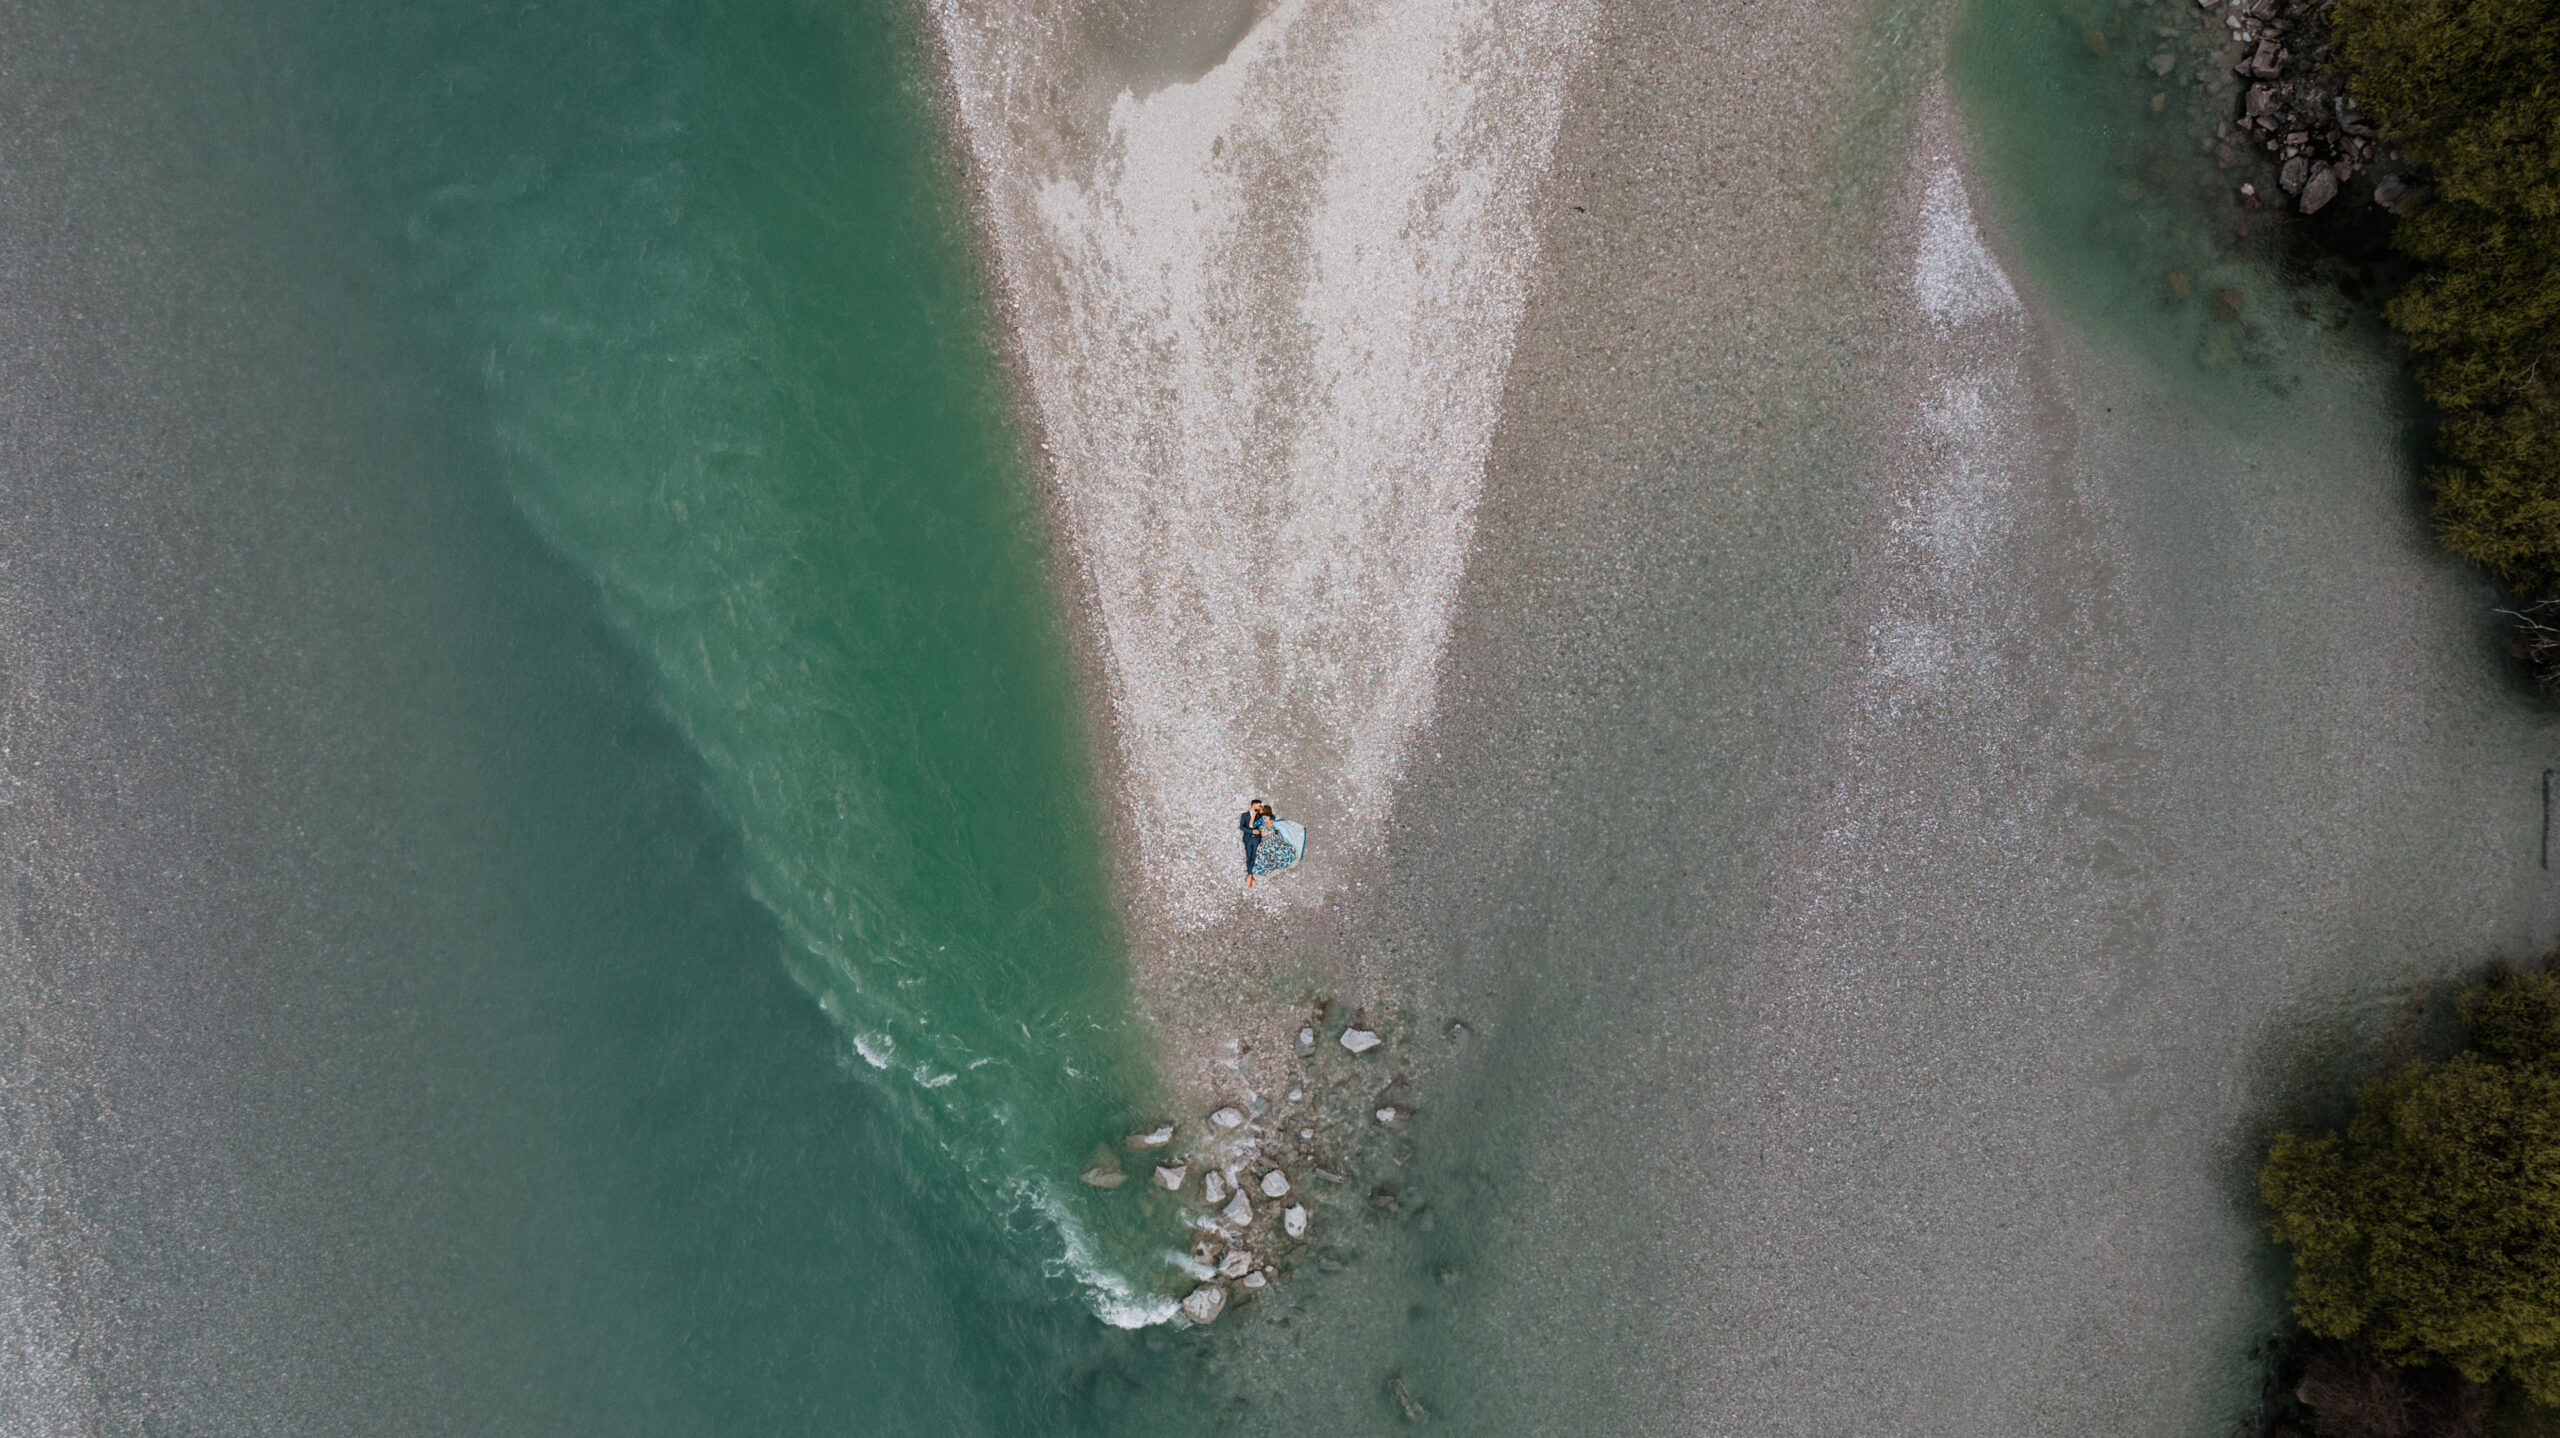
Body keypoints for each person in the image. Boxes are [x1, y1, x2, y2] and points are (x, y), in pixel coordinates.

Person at [1240, 799, 1270, 889]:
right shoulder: (1244, 815)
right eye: (1259, 805)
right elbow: (1242, 827)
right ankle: (1249, 875)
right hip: (1248, 839)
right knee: (1248, 856)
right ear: (1254, 805)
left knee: (1254, 857)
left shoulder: (1261, 815)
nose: (1260, 807)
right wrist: (1253, 831)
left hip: (1257, 839)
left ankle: (1251, 874)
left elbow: (1269, 819)